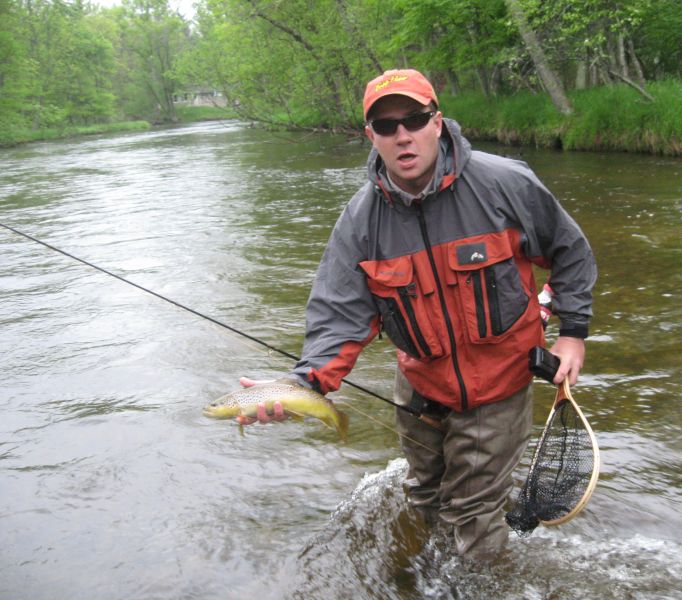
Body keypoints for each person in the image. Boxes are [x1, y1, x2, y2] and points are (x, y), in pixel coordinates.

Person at [245, 69, 597, 561]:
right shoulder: (359, 223)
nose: (402, 135)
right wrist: (303, 385)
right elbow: (338, 317)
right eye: (386, 126)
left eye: (413, 119)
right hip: (419, 387)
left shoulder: (504, 183)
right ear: (371, 136)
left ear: (437, 122)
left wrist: (573, 332)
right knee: (426, 497)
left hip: (498, 383)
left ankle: (480, 586)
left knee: (471, 518)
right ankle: (432, 575)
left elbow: (570, 252)